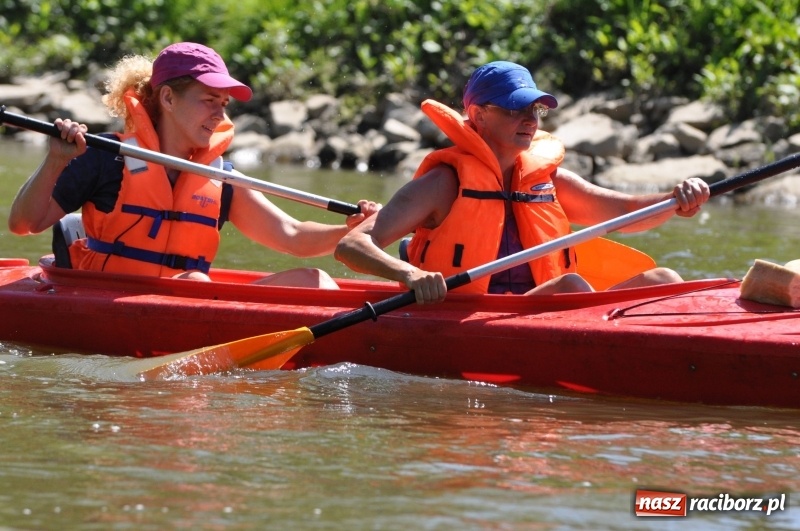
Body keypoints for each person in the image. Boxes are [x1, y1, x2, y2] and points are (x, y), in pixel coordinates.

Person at [8, 42, 380, 288]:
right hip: (108, 302)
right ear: (168, 98)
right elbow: (23, 224)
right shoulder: (106, 158)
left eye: (224, 103)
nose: (220, 114)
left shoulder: (218, 176)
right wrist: (56, 160)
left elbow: (293, 235)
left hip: (185, 307)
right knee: (196, 283)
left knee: (316, 281)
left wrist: (356, 230)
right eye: (209, 100)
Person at [335, 60, 710, 303]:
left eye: (536, 109)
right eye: (516, 108)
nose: (530, 120)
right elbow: (352, 245)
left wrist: (677, 199)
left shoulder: (549, 180)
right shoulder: (443, 183)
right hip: (474, 319)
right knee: (572, 287)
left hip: (547, 312)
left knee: (663, 278)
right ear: (478, 115)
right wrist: (411, 274)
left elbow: (626, 212)